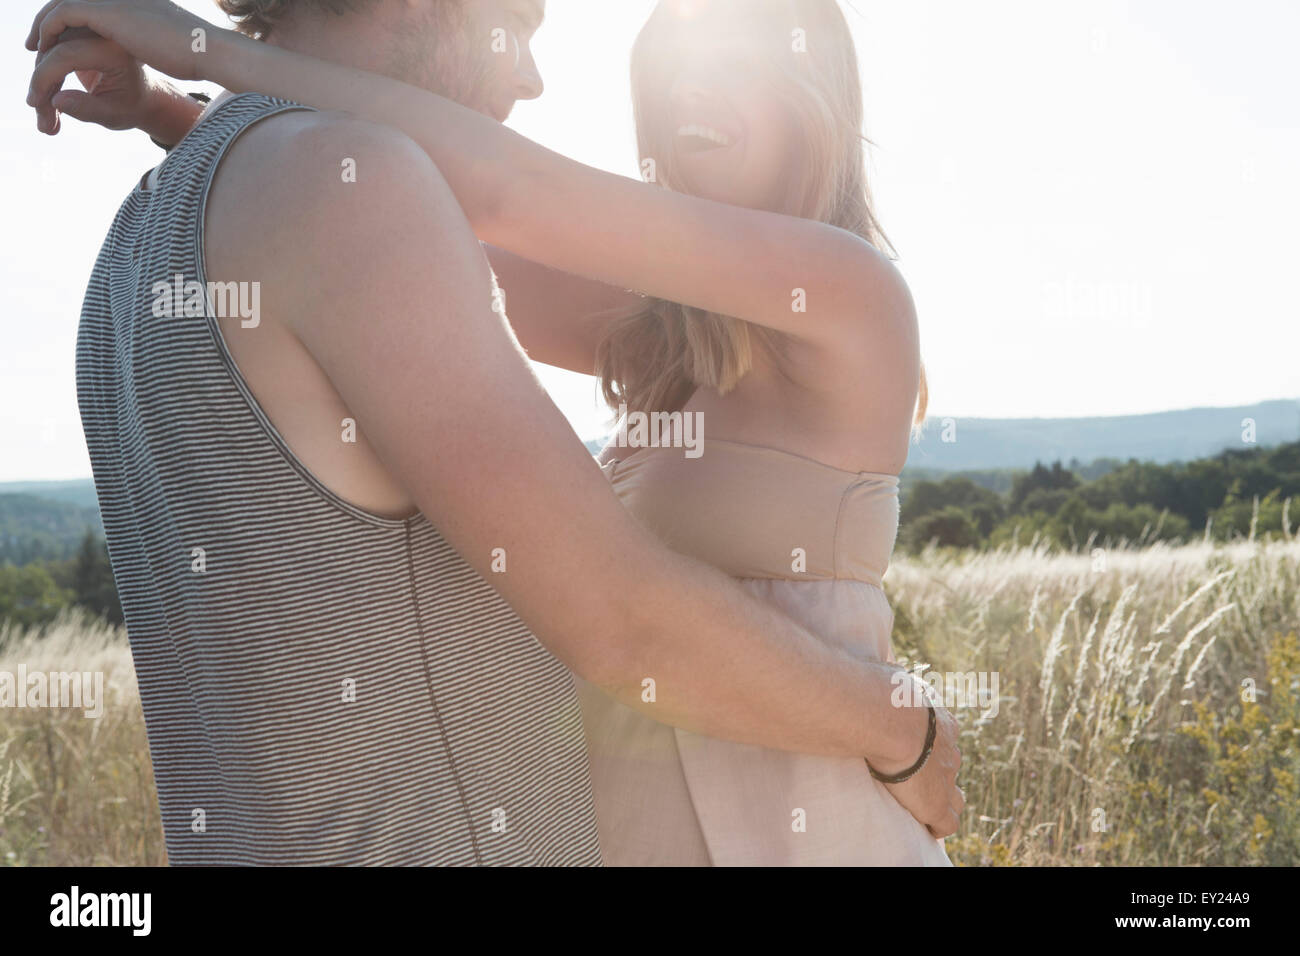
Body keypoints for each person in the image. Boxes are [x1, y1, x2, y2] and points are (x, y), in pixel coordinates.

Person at [26, 0, 962, 865]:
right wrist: (183, 115)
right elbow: (368, 250)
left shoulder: (850, 295)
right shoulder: (655, 324)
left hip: (810, 828)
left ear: (814, 94)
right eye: (670, 70)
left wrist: (204, 49)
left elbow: (483, 191)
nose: (691, 91)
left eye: (734, 66)